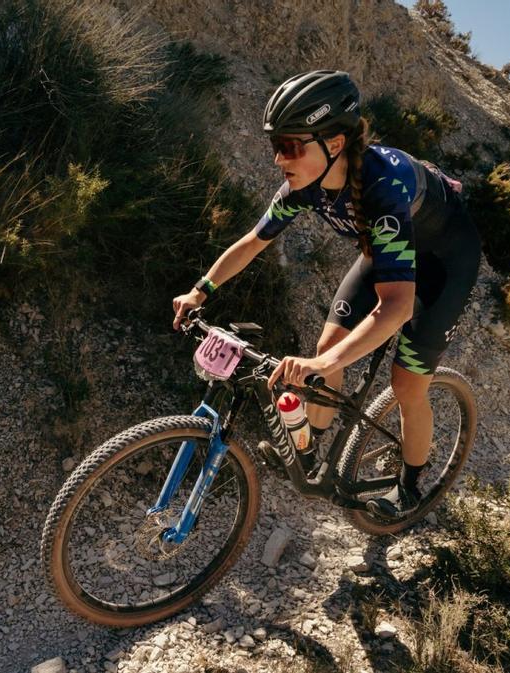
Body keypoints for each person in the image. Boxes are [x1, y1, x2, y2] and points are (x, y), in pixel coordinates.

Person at [172, 70, 482, 518]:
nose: (280, 159)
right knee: (328, 347)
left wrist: (322, 366)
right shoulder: (304, 186)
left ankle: (410, 485)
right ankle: (310, 451)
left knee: (407, 383)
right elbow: (253, 242)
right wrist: (200, 291)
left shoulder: (383, 187)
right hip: (386, 251)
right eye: (276, 146)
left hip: (444, 264)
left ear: (334, 143)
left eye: (291, 146)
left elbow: (394, 307)